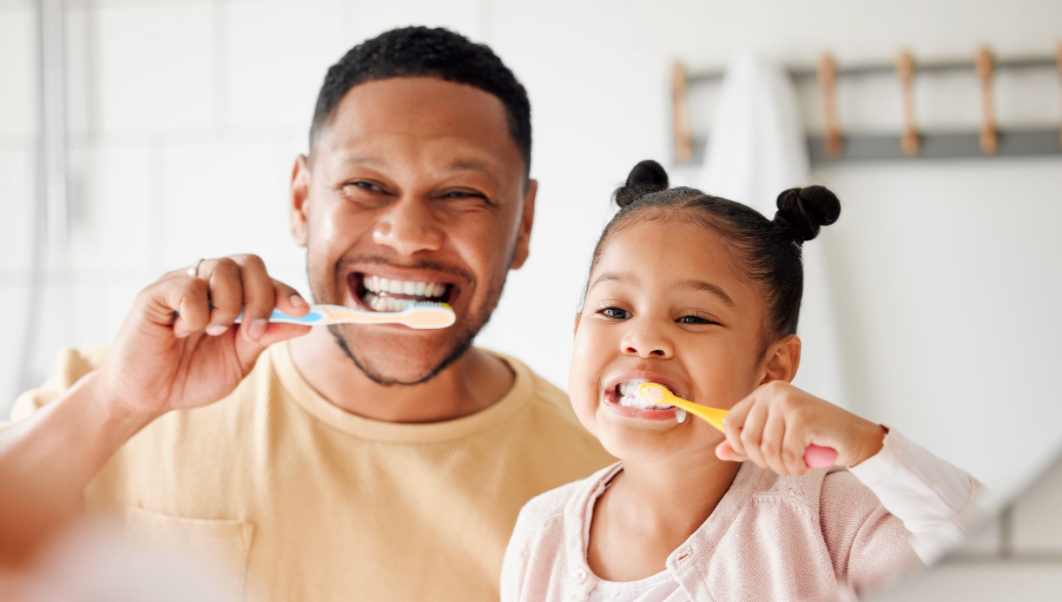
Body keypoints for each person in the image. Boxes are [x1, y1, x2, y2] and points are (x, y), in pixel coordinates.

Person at [0, 27, 614, 602]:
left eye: (460, 194)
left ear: (524, 223)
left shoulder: (599, 476)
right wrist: (116, 403)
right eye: (365, 186)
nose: (408, 237)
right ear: (301, 200)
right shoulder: (112, 400)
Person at [501, 161, 984, 602]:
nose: (642, 339)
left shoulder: (830, 519)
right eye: (613, 310)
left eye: (692, 318)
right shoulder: (540, 534)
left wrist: (867, 446)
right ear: (576, 331)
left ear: (773, 367)